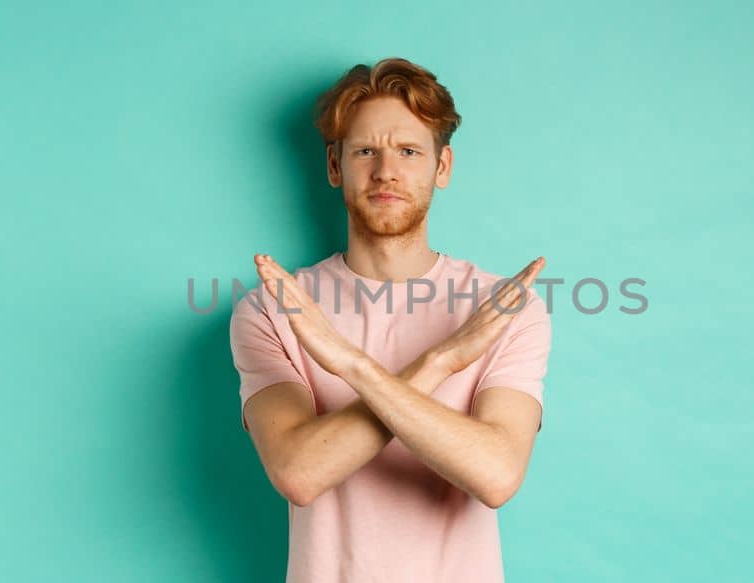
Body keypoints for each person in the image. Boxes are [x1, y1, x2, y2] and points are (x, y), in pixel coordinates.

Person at [230, 57, 552, 583]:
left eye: (408, 151)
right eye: (364, 151)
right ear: (335, 167)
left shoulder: (503, 308)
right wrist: (441, 360)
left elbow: (496, 476)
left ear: (441, 167)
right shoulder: (274, 307)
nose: (386, 172)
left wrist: (352, 366)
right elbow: (299, 473)